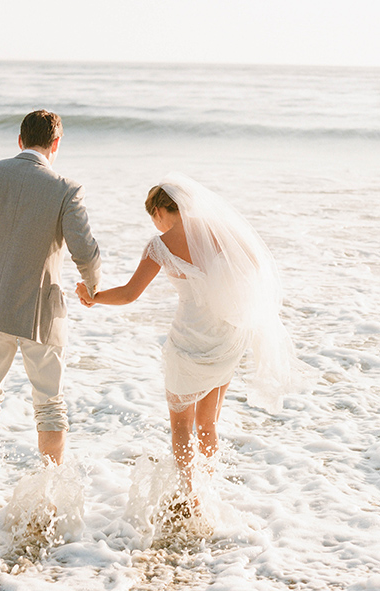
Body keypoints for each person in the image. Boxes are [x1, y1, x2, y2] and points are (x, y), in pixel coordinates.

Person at [76, 172, 301, 496]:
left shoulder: (159, 245)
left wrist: (92, 296)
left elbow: (128, 294)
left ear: (159, 211)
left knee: (181, 425)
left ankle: (189, 494)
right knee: (208, 424)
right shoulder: (220, 233)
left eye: (154, 217)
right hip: (226, 337)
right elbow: (254, 265)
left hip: (189, 341)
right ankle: (209, 490)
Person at [0, 109, 101, 466]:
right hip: (40, 312)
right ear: (56, 144)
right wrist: (92, 288)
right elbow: (86, 252)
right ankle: (49, 490)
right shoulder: (66, 189)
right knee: (49, 403)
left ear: (20, 140)